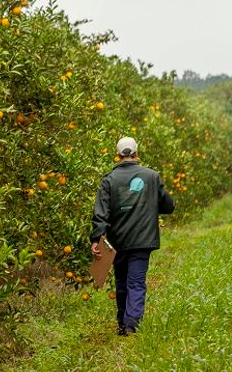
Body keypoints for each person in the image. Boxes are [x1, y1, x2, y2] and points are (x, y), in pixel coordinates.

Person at [90, 137, 175, 336]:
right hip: (142, 240)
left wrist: (96, 239)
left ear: (118, 155)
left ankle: (123, 323)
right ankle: (131, 325)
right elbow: (168, 206)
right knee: (136, 282)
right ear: (136, 154)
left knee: (121, 282)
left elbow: (100, 213)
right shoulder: (151, 176)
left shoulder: (109, 180)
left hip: (118, 241)